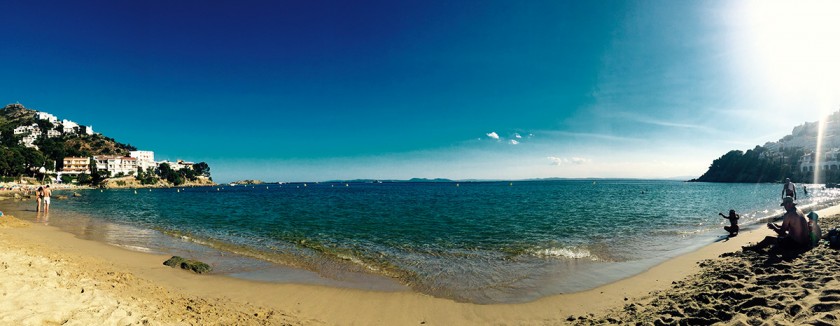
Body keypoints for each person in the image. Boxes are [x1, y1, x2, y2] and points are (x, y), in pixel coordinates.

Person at [743, 196, 810, 253]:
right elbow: (793, 226)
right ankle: (756, 246)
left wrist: (773, 227)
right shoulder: (798, 210)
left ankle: (753, 248)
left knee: (768, 239)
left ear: (787, 204)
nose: (786, 207)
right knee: (784, 236)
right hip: (805, 241)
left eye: (786, 205)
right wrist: (777, 226)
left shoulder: (788, 215)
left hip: (796, 244)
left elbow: (781, 232)